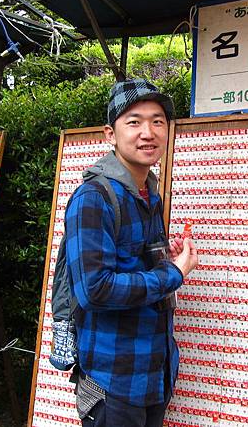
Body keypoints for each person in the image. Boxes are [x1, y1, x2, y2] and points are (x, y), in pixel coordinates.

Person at [65, 78, 198, 427]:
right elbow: (94, 289)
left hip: (154, 371)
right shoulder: (93, 198)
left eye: (157, 121)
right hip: (114, 380)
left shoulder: (147, 194)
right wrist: (174, 273)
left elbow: (130, 264)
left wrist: (164, 257)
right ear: (110, 134)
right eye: (134, 121)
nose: (148, 132)